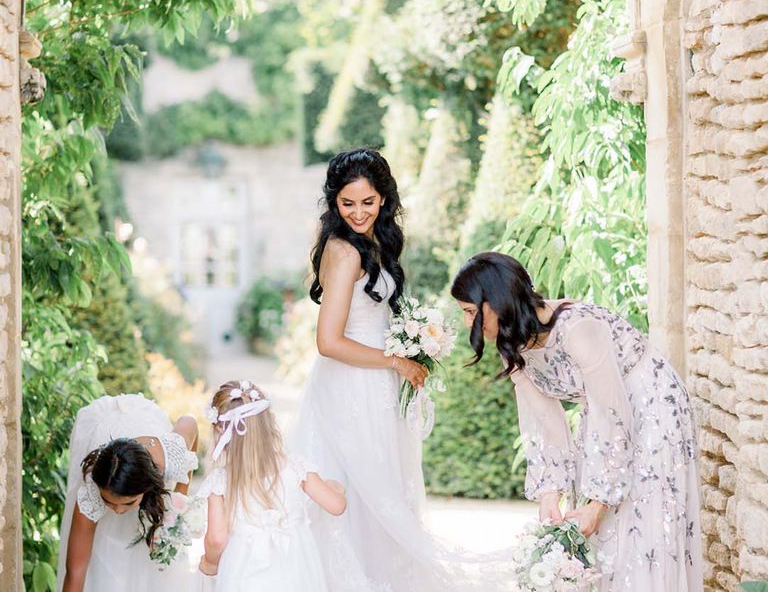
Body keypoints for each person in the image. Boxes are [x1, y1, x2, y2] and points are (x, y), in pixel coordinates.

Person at [293, 148, 510, 592]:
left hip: (375, 380)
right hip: (351, 385)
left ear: (384, 199)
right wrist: (396, 360)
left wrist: (413, 341)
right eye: (347, 203)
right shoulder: (344, 251)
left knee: (383, 489)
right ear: (334, 201)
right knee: (362, 493)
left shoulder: (374, 241)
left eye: (368, 202)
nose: (358, 213)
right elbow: (328, 341)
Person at [451, 251, 704, 591]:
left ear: (497, 300)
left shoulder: (578, 328)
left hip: (652, 407)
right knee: (602, 531)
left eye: (470, 311)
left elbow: (611, 414)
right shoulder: (514, 344)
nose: (468, 323)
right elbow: (544, 422)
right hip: (604, 411)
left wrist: (598, 502)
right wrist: (548, 494)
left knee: (642, 525)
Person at [197, 380, 346, 591]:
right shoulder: (295, 466)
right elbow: (336, 505)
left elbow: (216, 538)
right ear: (268, 423)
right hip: (296, 564)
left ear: (221, 430)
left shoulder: (221, 480)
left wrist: (210, 563)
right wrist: (336, 487)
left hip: (244, 568)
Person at [57, 393, 199, 592]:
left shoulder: (170, 457)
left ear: (146, 486)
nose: (117, 510)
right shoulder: (91, 491)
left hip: (144, 424)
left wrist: (178, 498)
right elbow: (75, 571)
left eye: (127, 503)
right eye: (108, 502)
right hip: (108, 428)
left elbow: (190, 423)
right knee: (103, 566)